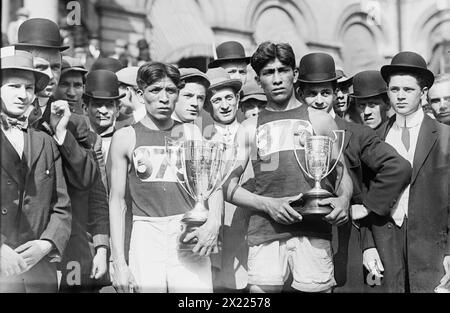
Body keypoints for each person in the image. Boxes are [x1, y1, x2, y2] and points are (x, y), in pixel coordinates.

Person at [223, 41, 353, 293]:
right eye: (268, 73)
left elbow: (342, 173)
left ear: (294, 74)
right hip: (265, 233)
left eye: (283, 70)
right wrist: (267, 205)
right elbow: (228, 187)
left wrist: (344, 200)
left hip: (314, 230)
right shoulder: (249, 128)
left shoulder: (320, 119)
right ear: (259, 80)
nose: (277, 79)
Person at [296, 52, 412, 292]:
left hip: (343, 234)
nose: (319, 100)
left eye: (325, 93)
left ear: (336, 94)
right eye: (311, 93)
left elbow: (397, 167)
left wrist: (367, 206)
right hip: (296, 233)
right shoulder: (289, 132)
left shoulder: (356, 134)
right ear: (300, 94)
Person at [109, 62, 223, 293]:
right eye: (155, 90)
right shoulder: (125, 137)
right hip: (146, 233)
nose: (163, 98)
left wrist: (213, 222)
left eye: (170, 91)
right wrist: (119, 262)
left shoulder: (192, 133)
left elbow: (213, 185)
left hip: (187, 230)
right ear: (141, 94)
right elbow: (116, 202)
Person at [365, 51, 450, 292]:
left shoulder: (444, 136)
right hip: (384, 244)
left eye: (408, 90)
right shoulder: (374, 137)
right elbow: (363, 195)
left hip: (431, 246)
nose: (400, 96)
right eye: (394, 89)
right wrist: (367, 246)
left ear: (423, 94)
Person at [0, 48, 71, 293]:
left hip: (39, 275)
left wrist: (47, 243)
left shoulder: (45, 142)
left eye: (29, 88)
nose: (23, 95)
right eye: (14, 87)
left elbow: (62, 206)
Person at [15, 18, 98, 191]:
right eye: (40, 67)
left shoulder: (74, 123)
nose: (51, 76)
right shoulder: (5, 113)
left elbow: (86, 180)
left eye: (55, 67)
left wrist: (62, 135)